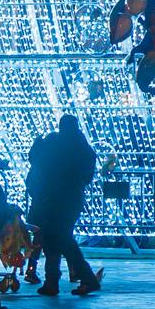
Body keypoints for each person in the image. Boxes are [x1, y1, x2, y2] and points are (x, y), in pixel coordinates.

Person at [29, 114, 102, 295]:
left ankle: (83, 278)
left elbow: (37, 160)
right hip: (71, 199)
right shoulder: (81, 146)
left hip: (53, 199)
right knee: (57, 238)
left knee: (59, 239)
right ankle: (53, 281)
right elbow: (87, 174)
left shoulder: (55, 143)